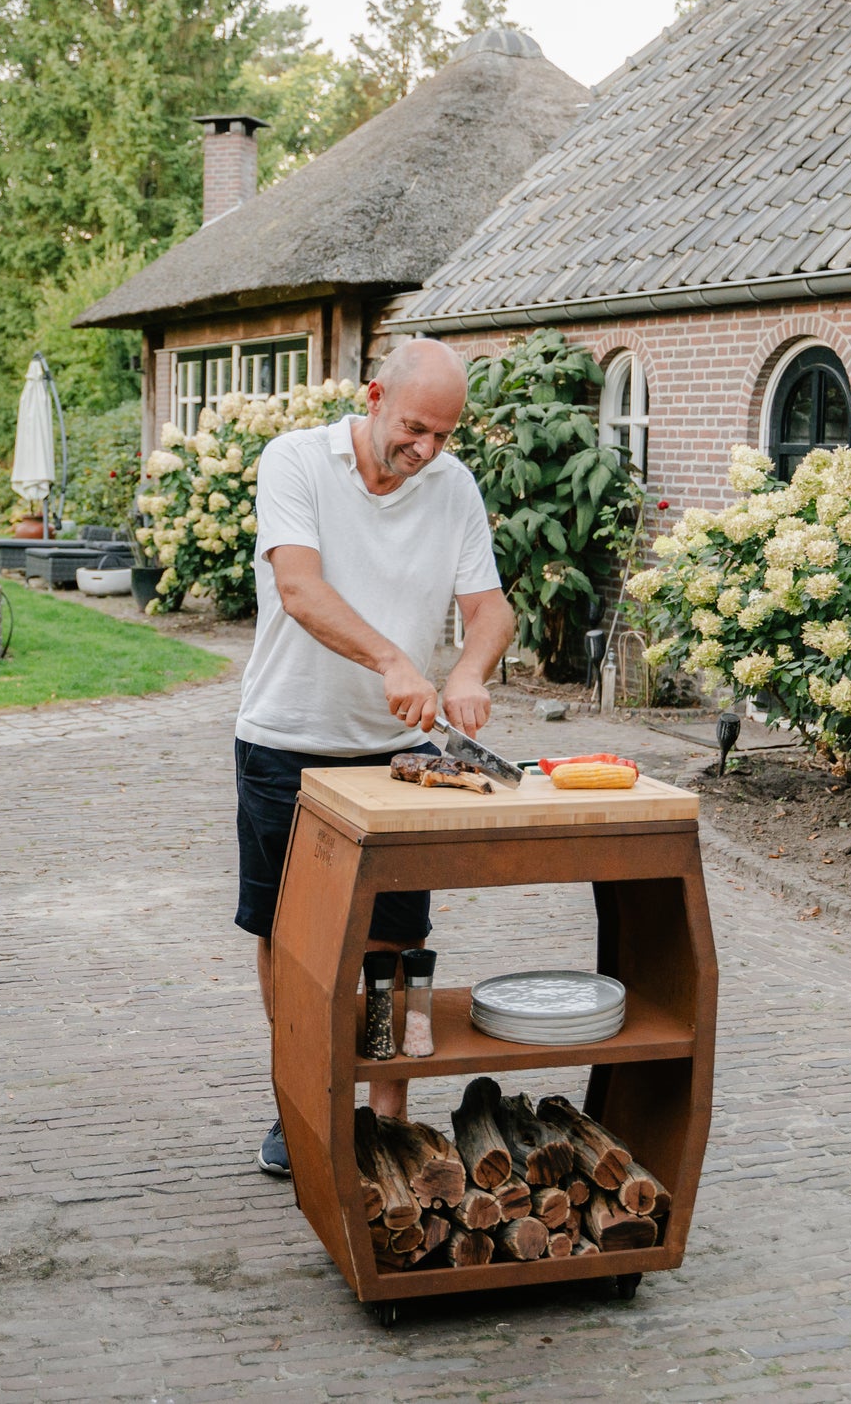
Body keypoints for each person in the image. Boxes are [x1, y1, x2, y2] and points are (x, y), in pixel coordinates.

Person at [233, 338, 515, 1177]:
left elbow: (490, 606)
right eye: (413, 427)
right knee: (291, 940)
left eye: (443, 435)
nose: (425, 449)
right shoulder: (295, 462)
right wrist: (395, 660)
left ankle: (388, 1110)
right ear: (373, 394)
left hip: (401, 757)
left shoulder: (450, 484)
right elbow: (299, 588)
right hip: (285, 741)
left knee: (396, 940)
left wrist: (465, 667)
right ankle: (303, 1098)